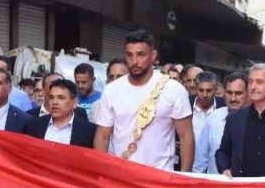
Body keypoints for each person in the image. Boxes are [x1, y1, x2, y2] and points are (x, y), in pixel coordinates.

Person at [93, 31, 194, 171]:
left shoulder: (173, 89)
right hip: (121, 173)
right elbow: (103, 135)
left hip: (159, 175)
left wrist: (184, 177)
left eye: (140, 55)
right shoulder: (111, 90)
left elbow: (185, 136)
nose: (134, 61)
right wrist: (101, 172)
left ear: (153, 55)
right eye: (129, 55)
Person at [193, 72, 247, 174]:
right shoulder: (213, 118)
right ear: (223, 92)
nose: (233, 98)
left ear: (248, 94)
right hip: (214, 182)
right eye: (229, 93)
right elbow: (200, 161)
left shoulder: (257, 120)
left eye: (238, 93)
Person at [28, 78, 97, 147]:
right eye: (51, 97)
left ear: (74, 102)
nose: (54, 102)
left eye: (61, 98)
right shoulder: (34, 125)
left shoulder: (89, 131)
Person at [190, 71, 222, 135]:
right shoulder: (186, 104)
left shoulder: (223, 106)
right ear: (196, 89)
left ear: (215, 90)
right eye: (201, 90)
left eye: (209, 91)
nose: (205, 95)